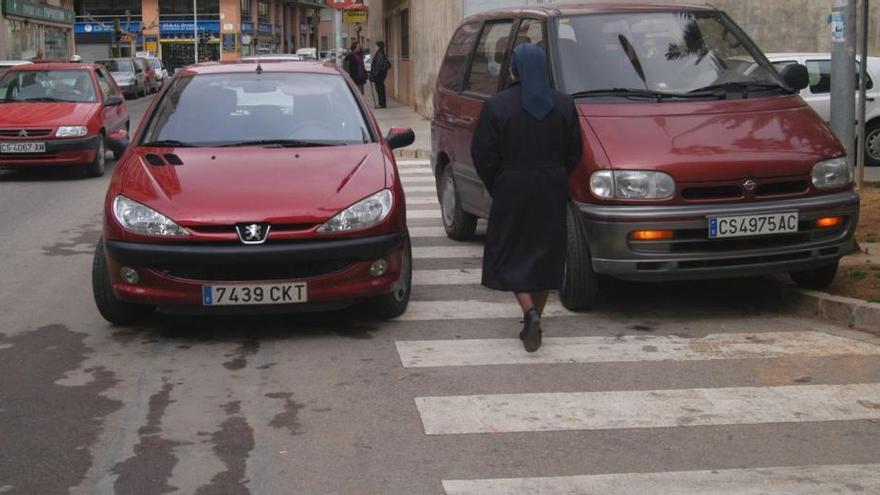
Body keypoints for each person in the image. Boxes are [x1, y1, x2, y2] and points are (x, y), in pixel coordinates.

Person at [470, 43, 583, 353]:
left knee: (511, 252)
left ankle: (529, 312)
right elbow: (575, 152)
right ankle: (537, 318)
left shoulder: (498, 106)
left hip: (512, 186)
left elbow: (483, 153)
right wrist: (556, 175)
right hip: (551, 186)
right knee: (546, 253)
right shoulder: (564, 105)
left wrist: (499, 182)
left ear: (515, 70)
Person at [370, 41, 390, 108]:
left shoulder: (380, 55)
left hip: (379, 76)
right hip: (379, 76)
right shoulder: (379, 54)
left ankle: (381, 104)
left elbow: (378, 66)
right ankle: (381, 103)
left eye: (376, 46)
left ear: (379, 47)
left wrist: (374, 75)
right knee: (380, 89)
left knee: (380, 90)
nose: (374, 47)